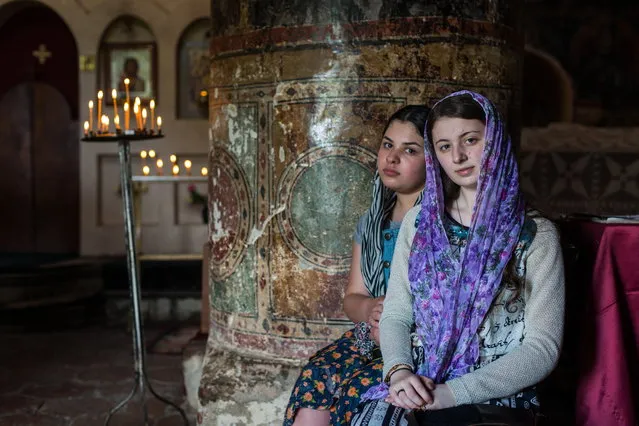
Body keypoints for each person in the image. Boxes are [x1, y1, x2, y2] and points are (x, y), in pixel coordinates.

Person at [350, 90, 565, 426]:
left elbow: (542, 349)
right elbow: (395, 314)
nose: (459, 157)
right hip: (419, 379)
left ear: (495, 142)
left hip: (497, 392)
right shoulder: (420, 223)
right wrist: (399, 372)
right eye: (444, 146)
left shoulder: (536, 235)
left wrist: (452, 393)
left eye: (471, 140)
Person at [283, 105, 430, 426]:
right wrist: (370, 309)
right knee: (316, 376)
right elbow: (353, 297)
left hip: (419, 344)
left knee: (357, 392)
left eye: (410, 150)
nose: (392, 158)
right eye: (388, 145)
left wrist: (396, 318)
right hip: (370, 334)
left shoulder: (440, 223)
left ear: (433, 161)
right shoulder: (372, 222)